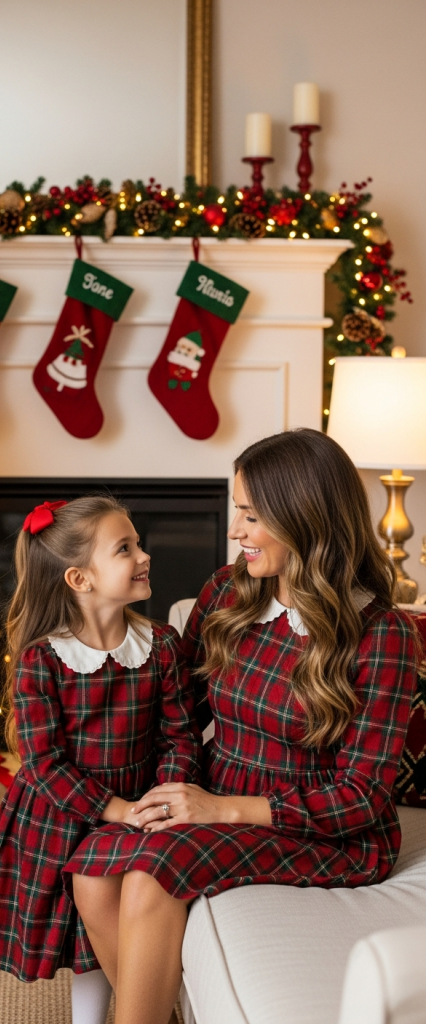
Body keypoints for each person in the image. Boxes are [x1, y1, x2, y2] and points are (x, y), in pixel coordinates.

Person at [66, 428, 419, 1024]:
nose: (235, 531)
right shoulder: (230, 591)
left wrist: (221, 808)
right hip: (217, 791)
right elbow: (178, 710)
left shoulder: (382, 634)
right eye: (237, 511)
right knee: (93, 870)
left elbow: (362, 797)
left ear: (304, 517)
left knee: (152, 875)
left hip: (324, 829)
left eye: (252, 516)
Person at [0, 495, 201, 1024]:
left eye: (138, 543)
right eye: (125, 548)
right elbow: (44, 764)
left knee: (92, 944)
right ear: (80, 579)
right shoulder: (43, 659)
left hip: (133, 814)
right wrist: (117, 809)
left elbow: (180, 737)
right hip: (51, 819)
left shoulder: (162, 645)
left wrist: (161, 801)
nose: (144, 555)